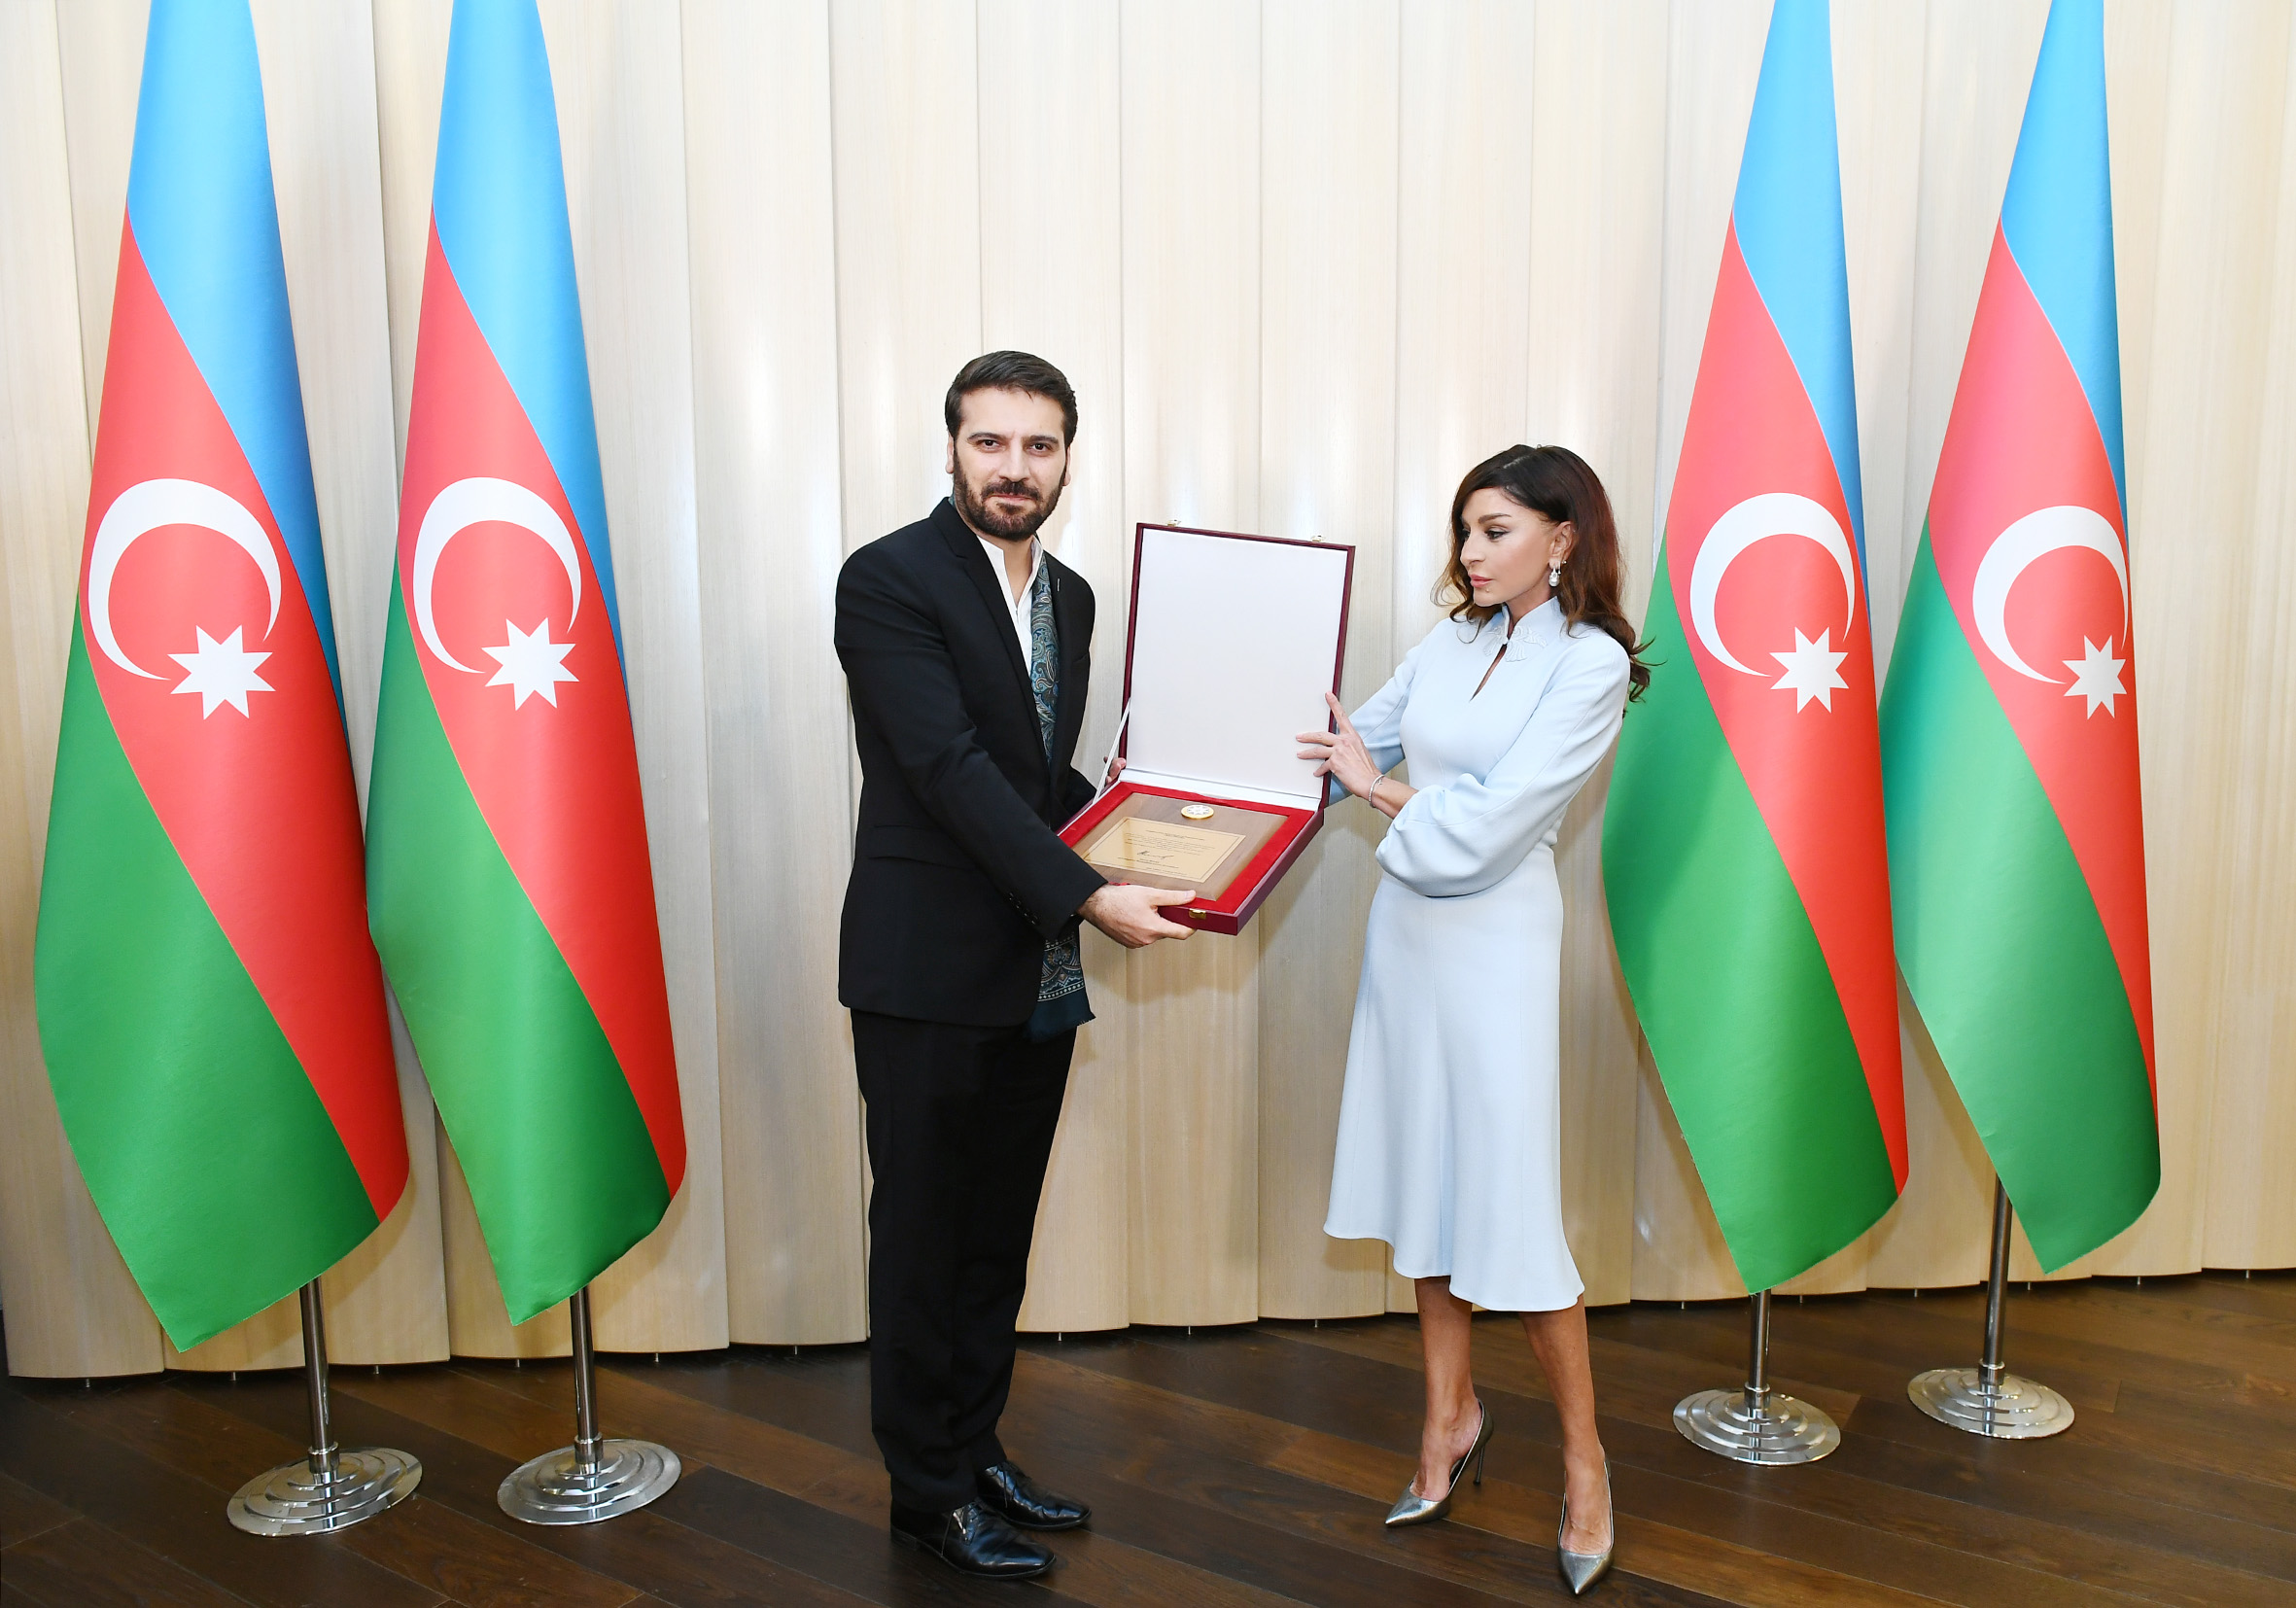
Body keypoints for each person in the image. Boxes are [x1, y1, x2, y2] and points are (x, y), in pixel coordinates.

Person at [834, 351, 1195, 1581]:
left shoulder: (1072, 598)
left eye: (1037, 446)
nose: (1012, 467)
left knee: (995, 1238)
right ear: (951, 447)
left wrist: (1171, 826)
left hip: (1030, 971)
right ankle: (924, 1494)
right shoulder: (888, 578)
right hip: (924, 971)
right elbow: (945, 770)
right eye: (989, 442)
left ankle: (975, 1448)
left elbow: (1040, 780)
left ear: (1066, 460)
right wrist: (1091, 890)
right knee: (922, 1243)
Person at [1301, 444, 1648, 1596]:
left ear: (1562, 536)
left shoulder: (1592, 662)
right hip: (1408, 933)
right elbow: (1348, 740)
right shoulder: (1449, 641)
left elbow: (1495, 825)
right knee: (1428, 1183)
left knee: (1509, 1205)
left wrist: (1379, 787)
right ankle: (1447, 1418)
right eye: (1464, 530)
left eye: (1494, 530)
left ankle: (1585, 1463)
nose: (1470, 552)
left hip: (1498, 942)